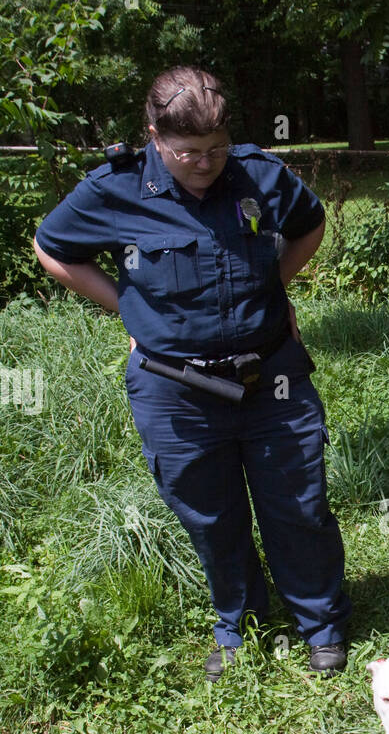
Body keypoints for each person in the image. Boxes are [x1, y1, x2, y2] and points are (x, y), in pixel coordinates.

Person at [33, 65, 351, 679]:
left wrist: (271, 284)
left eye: (215, 148)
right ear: (152, 135)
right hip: (174, 390)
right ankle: (240, 624)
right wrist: (123, 305)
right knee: (209, 513)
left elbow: (309, 226)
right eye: (188, 152)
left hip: (272, 379)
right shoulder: (114, 189)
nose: (205, 163)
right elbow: (52, 247)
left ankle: (320, 622)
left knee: (299, 505)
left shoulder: (259, 174)